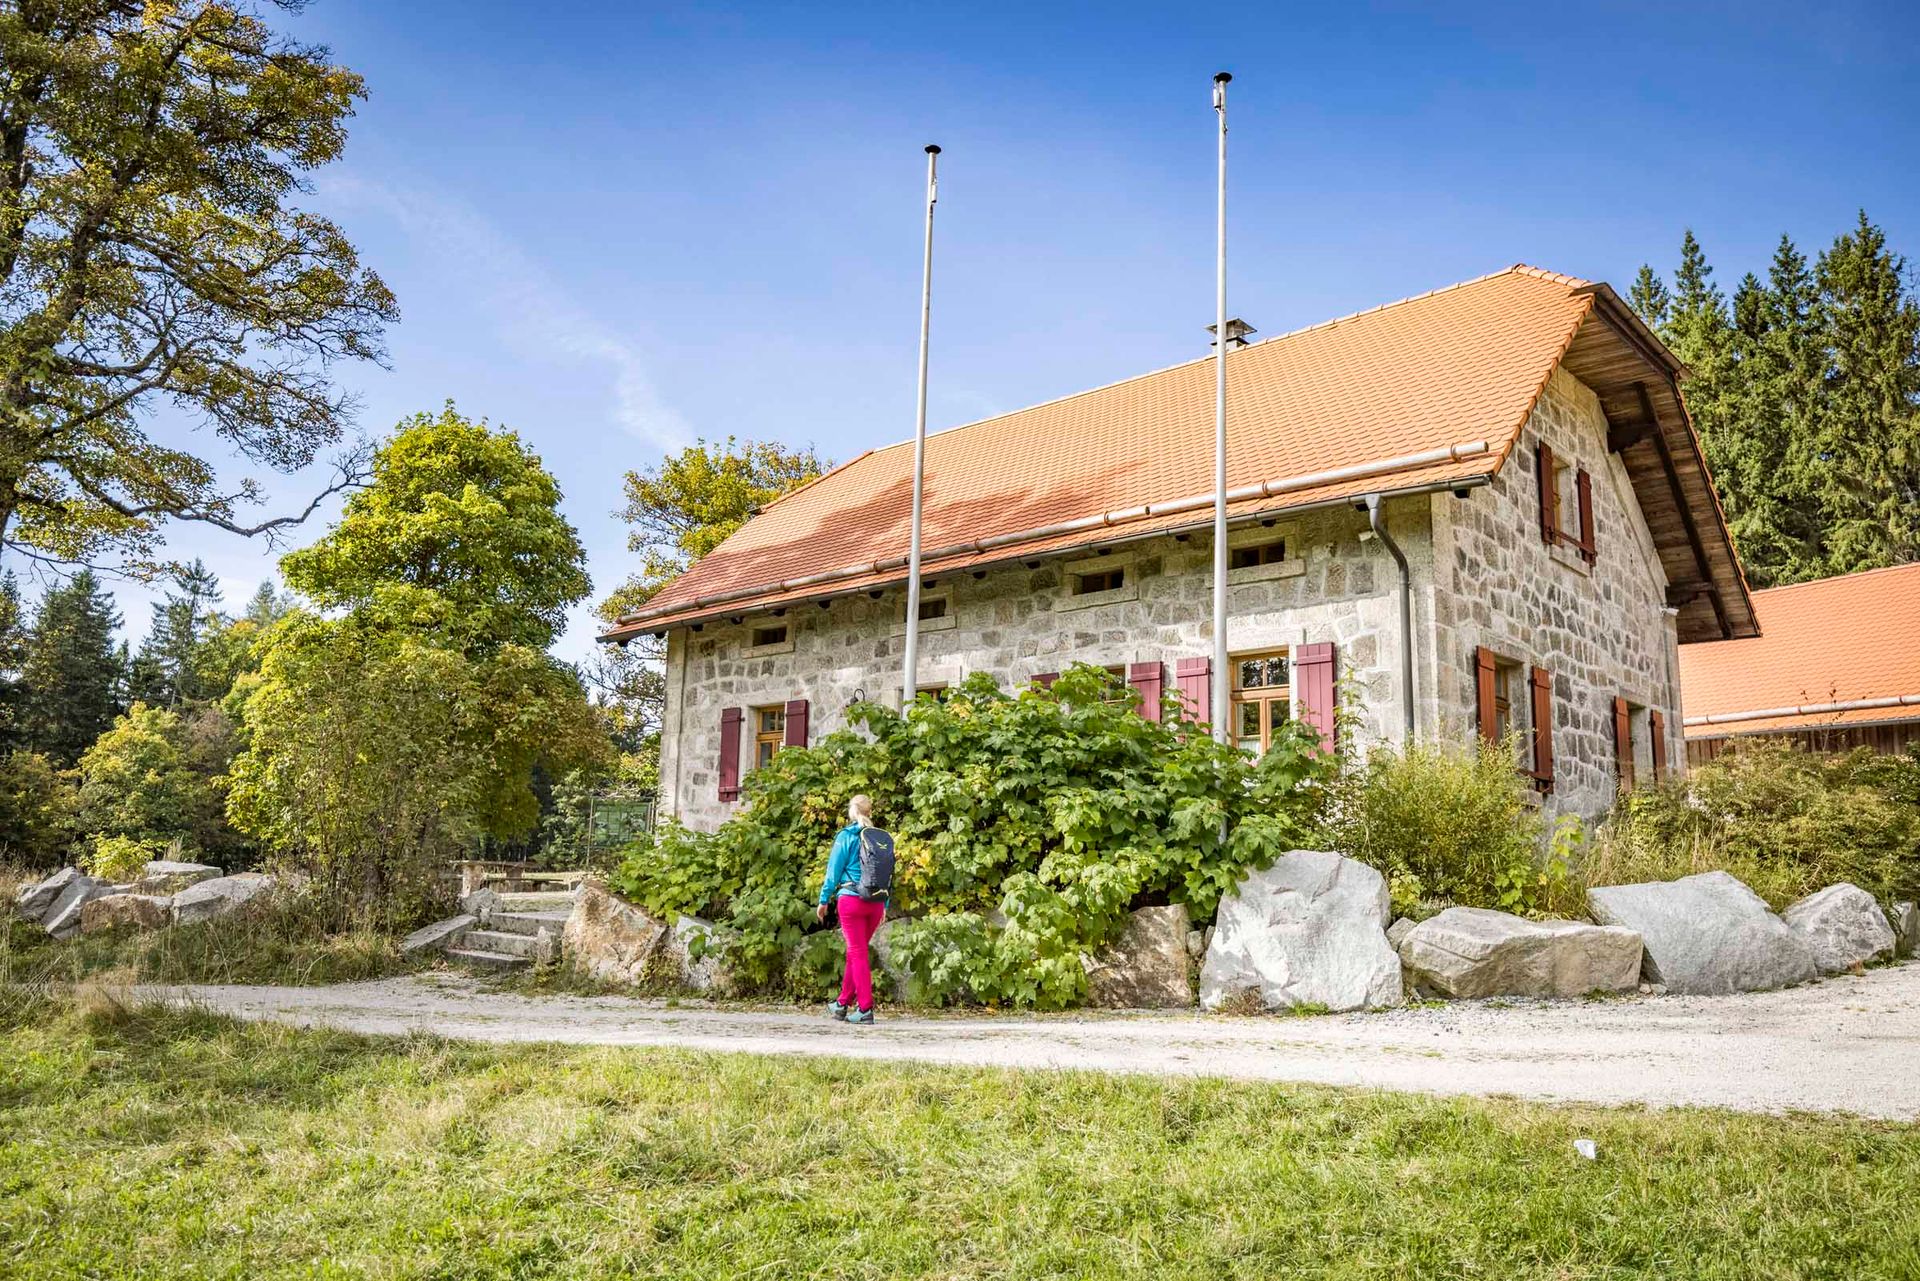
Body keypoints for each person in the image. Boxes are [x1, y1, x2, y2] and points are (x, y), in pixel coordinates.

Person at [817, 793, 885, 1024]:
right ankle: (842, 1004)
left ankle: (865, 1008)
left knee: (857, 953)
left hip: (852, 901)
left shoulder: (846, 836)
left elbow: (833, 872)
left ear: (852, 811)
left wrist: (824, 899)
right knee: (855, 953)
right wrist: (884, 904)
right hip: (875, 903)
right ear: (870, 811)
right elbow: (887, 874)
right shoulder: (880, 838)